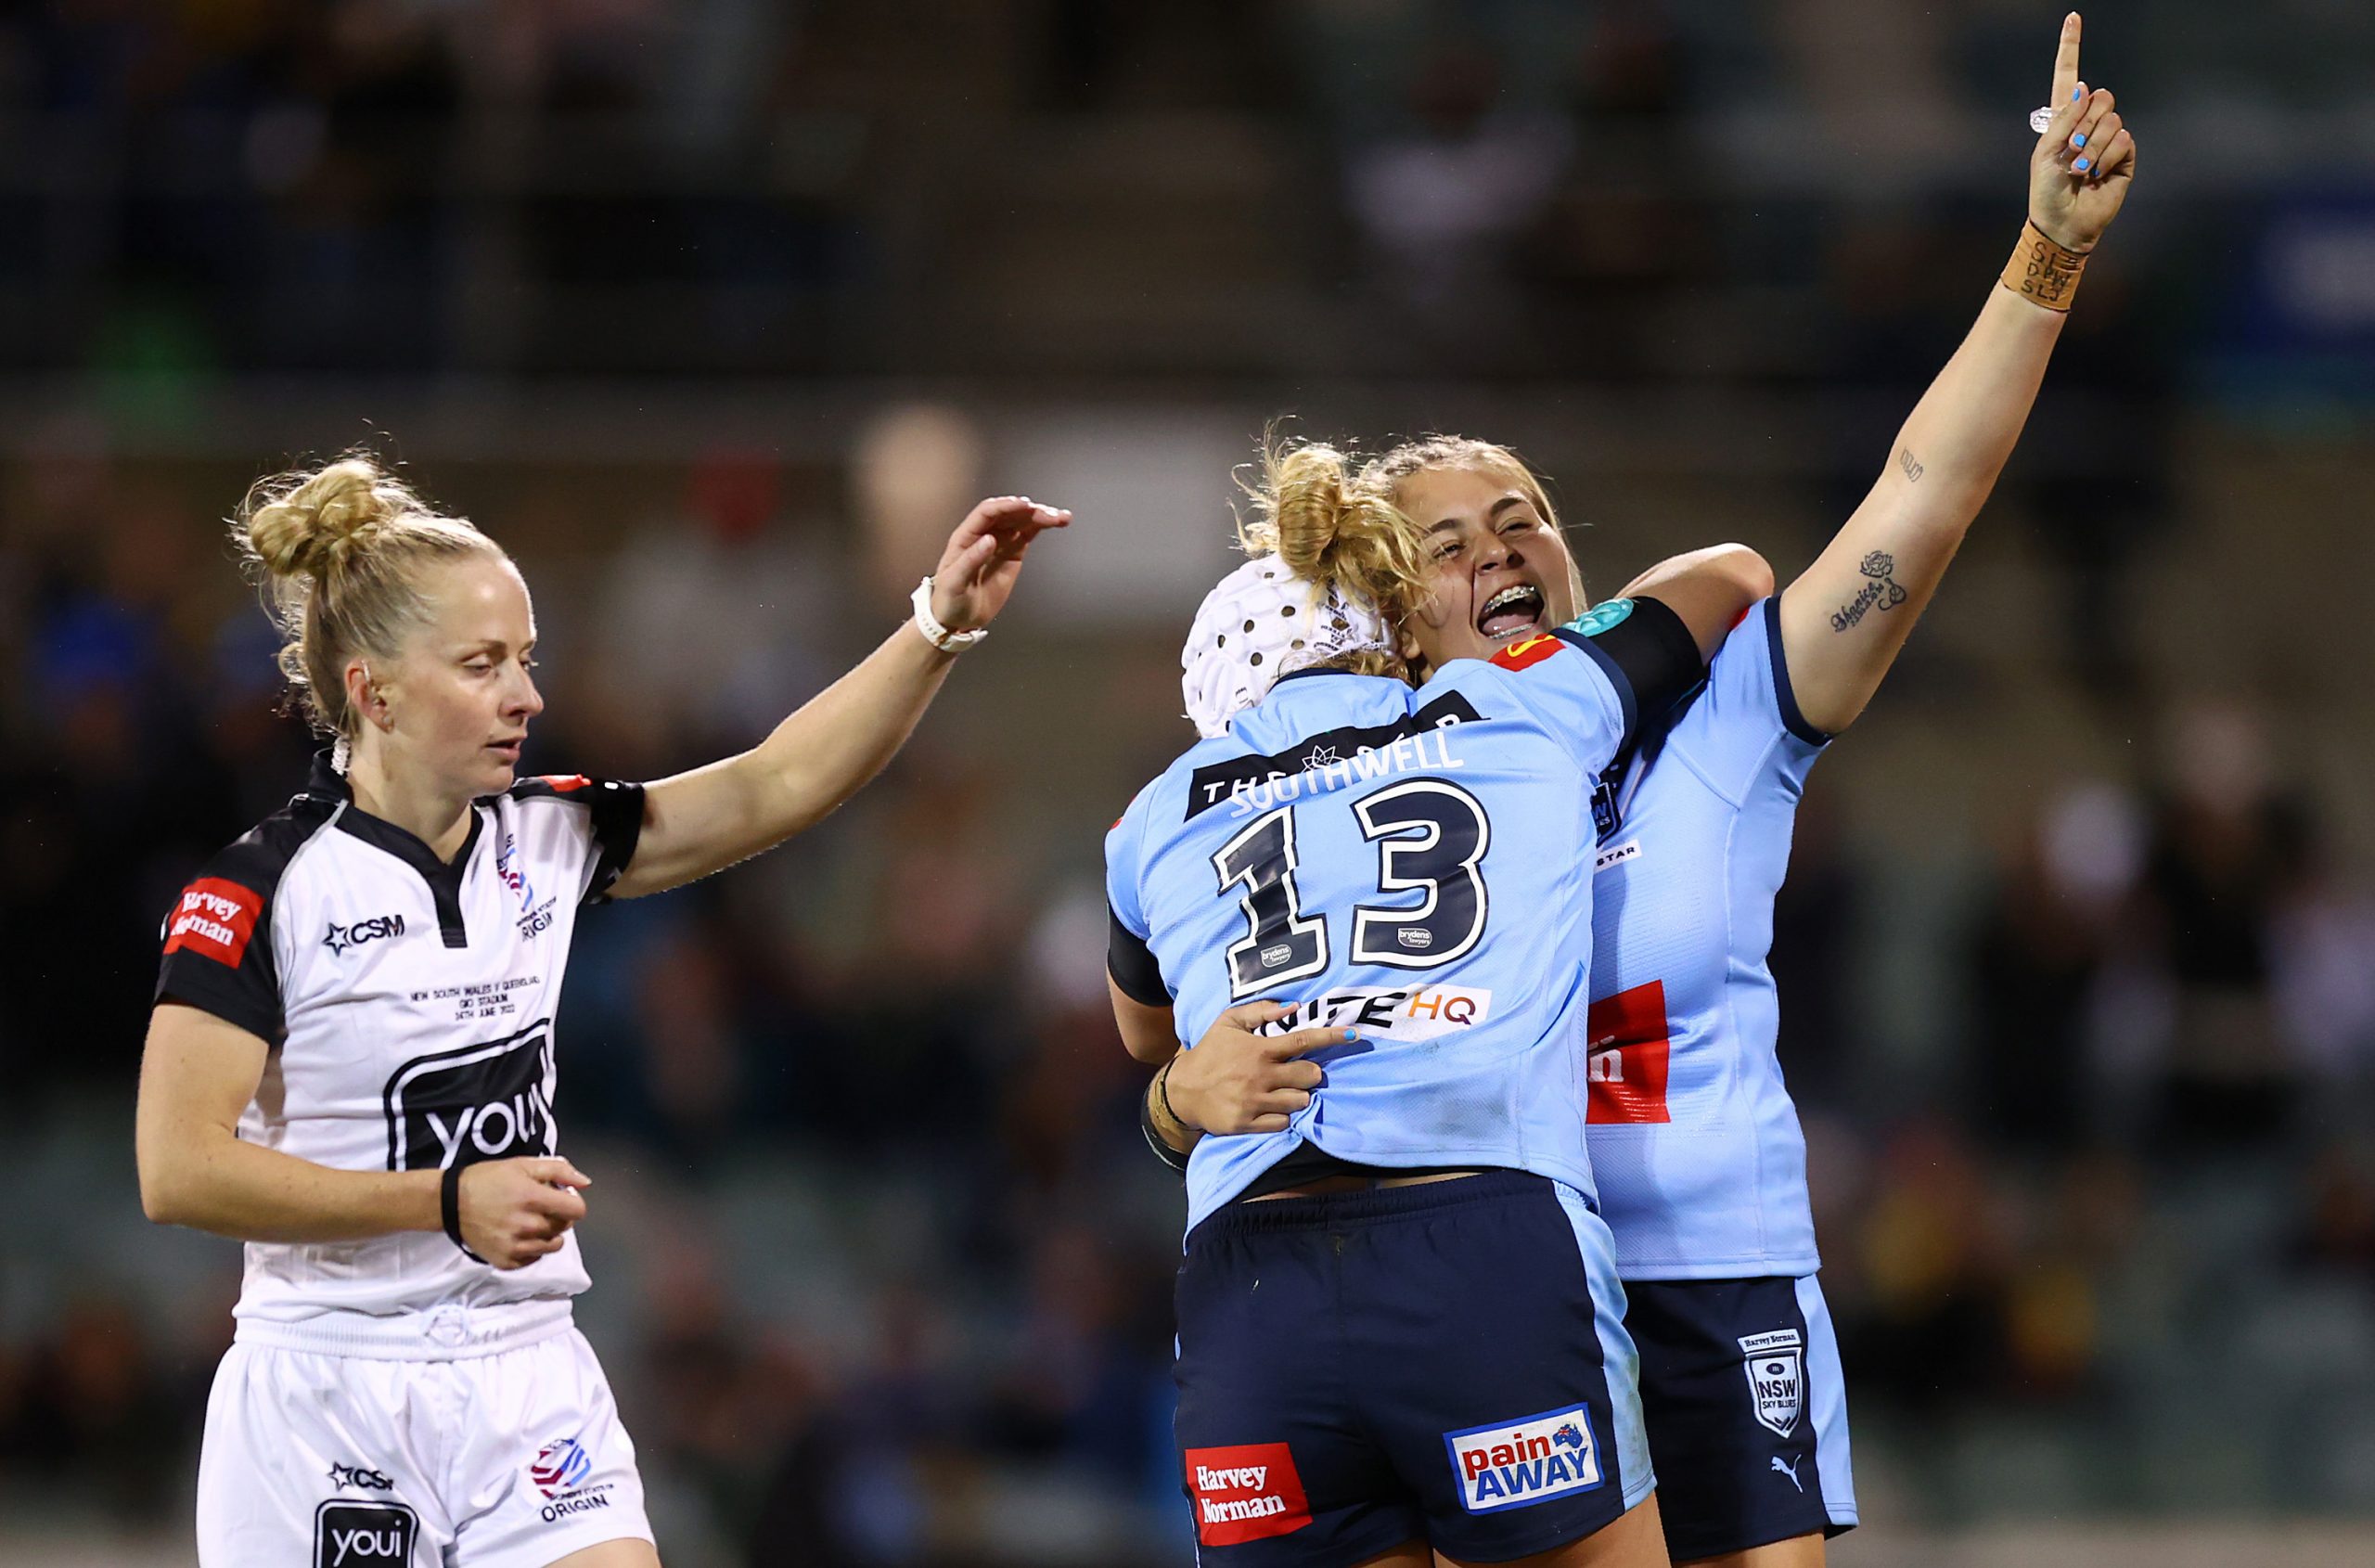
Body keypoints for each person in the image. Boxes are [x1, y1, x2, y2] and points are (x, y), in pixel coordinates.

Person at [1149, 15, 2138, 1566]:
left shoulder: (1727, 713)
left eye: (1524, 517)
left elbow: (1921, 497)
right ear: (1383, 614)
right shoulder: (1344, 801)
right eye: (1449, 544)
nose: (1502, 549)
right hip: (1469, 1295)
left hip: (1702, 1274)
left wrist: (2048, 254)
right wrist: (1167, 1102)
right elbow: (1199, 1042)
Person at [134, 452, 1067, 1568]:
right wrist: (444, 1201)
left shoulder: (551, 833)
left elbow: (775, 782)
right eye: (482, 664)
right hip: (327, 1388)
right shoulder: (256, 894)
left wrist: (936, 627)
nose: (525, 696)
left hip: (525, 1371)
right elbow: (177, 1170)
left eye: (526, 659)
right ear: (374, 692)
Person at [1107, 437, 1770, 1568]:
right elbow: (1733, 573)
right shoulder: (1512, 701)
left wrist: (1175, 1100)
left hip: (1248, 1288)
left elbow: (1145, 1032)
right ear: (1389, 628)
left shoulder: (1152, 815)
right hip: (1479, 1240)